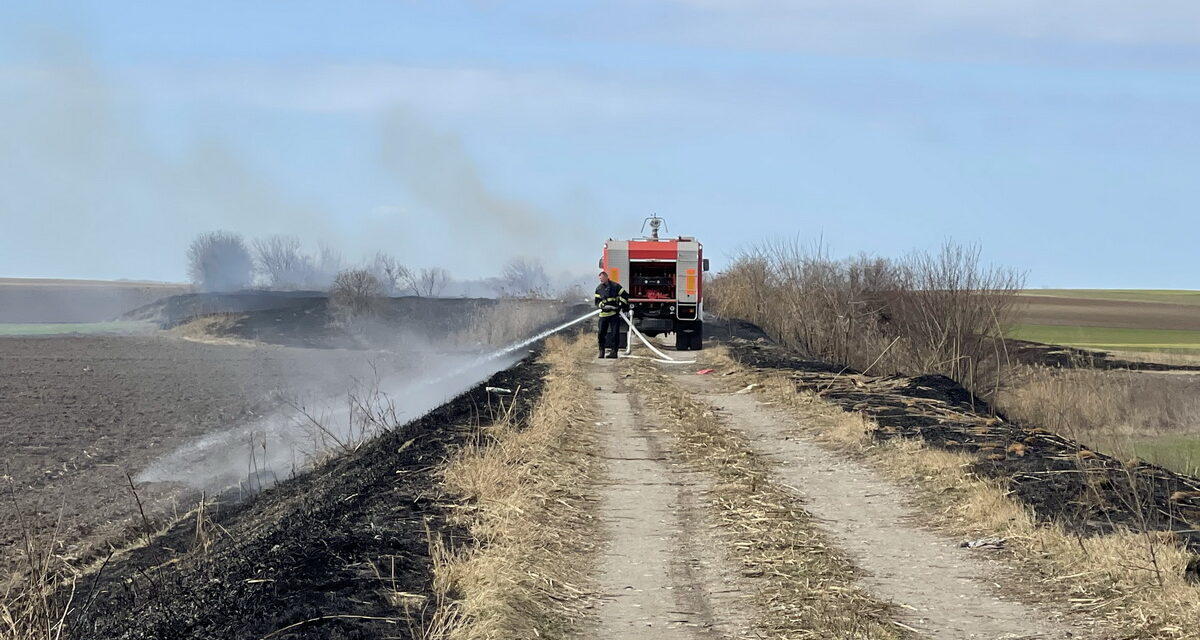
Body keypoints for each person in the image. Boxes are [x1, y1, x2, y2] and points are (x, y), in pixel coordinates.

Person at [594, 270, 630, 358]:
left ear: (606, 277)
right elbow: (597, 302)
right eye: (600, 279)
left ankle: (614, 352)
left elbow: (625, 296)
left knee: (615, 334)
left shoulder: (615, 286)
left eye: (602, 279)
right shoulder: (599, 289)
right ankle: (601, 351)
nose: (601, 281)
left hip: (614, 314)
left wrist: (620, 305)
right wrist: (602, 306)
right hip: (603, 315)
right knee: (601, 334)